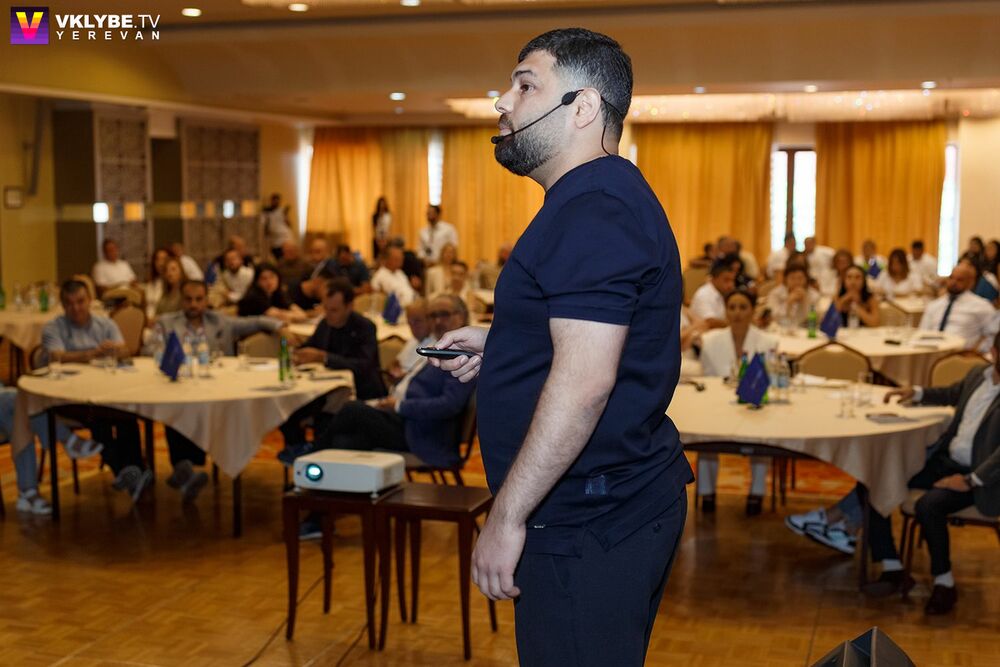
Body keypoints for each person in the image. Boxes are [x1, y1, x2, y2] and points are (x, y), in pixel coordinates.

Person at [429, 29, 691, 665]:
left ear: (583, 107)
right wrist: (509, 343)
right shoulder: (597, 196)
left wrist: (506, 517)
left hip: (585, 520)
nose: (502, 102)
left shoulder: (593, 208)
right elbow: (595, 335)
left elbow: (585, 383)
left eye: (525, 86)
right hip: (608, 506)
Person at [860, 333, 1000, 615]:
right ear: (995, 353)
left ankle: (944, 583)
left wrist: (970, 480)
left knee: (929, 505)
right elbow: (951, 393)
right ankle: (892, 566)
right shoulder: (978, 375)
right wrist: (916, 393)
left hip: (982, 478)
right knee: (875, 479)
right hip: (947, 461)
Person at [153, 281, 286, 501]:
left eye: (199, 299)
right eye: (188, 299)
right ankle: (184, 469)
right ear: (181, 301)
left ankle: (184, 471)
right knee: (176, 409)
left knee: (201, 411)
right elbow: (151, 351)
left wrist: (279, 326)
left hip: (216, 389)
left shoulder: (220, 321)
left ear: (206, 300)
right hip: (180, 387)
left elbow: (255, 321)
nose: (193, 304)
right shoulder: (167, 323)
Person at [42, 280, 151, 502]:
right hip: (70, 398)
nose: (76, 308)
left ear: (90, 301)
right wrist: (91, 354)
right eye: (70, 303)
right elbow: (56, 357)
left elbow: (124, 351)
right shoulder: (54, 327)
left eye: (80, 301)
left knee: (126, 415)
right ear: (63, 305)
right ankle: (129, 471)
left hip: (107, 392)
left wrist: (116, 351)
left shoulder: (105, 324)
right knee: (99, 419)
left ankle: (134, 471)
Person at [278, 278, 386, 450]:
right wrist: (298, 352)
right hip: (325, 390)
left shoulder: (364, 327)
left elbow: (363, 365)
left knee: (325, 421)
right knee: (286, 413)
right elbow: (311, 346)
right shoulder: (325, 324)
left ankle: (316, 454)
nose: (328, 314)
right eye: (325, 308)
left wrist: (324, 358)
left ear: (349, 307)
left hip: (358, 392)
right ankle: (298, 453)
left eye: (334, 310)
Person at [698, 290, 777, 515]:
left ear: (752, 311)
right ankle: (707, 493)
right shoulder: (710, 341)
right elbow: (707, 380)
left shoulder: (768, 341)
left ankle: (756, 492)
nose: (737, 313)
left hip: (753, 406)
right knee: (705, 433)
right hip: (718, 405)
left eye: (743, 307)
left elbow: (768, 380)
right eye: (732, 307)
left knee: (763, 431)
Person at [919, 261, 998, 353]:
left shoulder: (982, 306)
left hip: (962, 355)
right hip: (931, 352)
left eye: (959, 280)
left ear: (970, 283)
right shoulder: (934, 305)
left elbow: (992, 334)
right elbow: (922, 332)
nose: (953, 282)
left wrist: (977, 351)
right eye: (951, 278)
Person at [237, 263, 307, 323]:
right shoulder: (254, 296)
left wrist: (290, 314)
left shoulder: (278, 292)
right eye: (264, 279)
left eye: (272, 277)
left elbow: (301, 314)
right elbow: (280, 316)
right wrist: (290, 315)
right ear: (257, 282)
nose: (269, 282)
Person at [388, 298, 435, 383]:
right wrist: (392, 369)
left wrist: (402, 377)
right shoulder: (413, 340)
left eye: (417, 321)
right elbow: (396, 361)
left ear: (430, 319)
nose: (413, 327)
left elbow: (420, 378)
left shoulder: (436, 346)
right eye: (410, 322)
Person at [690, 259, 736, 329]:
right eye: (726, 280)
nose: (731, 285)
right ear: (714, 279)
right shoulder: (704, 294)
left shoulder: (723, 293)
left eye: (732, 280)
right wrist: (737, 323)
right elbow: (710, 322)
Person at [262, 193, 294, 260]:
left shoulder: (282, 211)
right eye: (274, 200)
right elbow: (265, 226)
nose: (276, 202)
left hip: (284, 237)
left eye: (277, 201)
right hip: (274, 239)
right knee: (277, 256)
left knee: (285, 256)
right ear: (271, 201)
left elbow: (289, 224)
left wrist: (285, 215)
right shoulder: (266, 212)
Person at [145, 247, 171, 320]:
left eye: (164, 259)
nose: (160, 263)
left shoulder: (171, 283)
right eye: (157, 259)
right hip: (149, 319)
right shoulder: (152, 281)